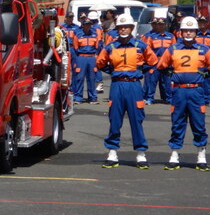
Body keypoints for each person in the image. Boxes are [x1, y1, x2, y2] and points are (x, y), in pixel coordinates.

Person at [96, 14, 157, 169]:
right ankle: (112, 152)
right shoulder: (110, 46)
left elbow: (153, 61)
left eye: (126, 27)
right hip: (117, 86)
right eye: (120, 27)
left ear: (131, 28)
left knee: (137, 119)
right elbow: (101, 63)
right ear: (117, 29)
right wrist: (114, 71)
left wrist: (139, 71)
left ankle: (141, 154)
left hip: (134, 86)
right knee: (115, 118)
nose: (123, 29)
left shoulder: (140, 45)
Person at [156, 17, 210, 171]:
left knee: (198, 123)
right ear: (180, 32)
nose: (188, 33)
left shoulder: (204, 49)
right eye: (185, 30)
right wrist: (171, 73)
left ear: (195, 32)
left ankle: (201, 156)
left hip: (196, 90)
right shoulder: (173, 49)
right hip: (179, 91)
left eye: (191, 30)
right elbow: (161, 66)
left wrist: (204, 75)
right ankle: (174, 154)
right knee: (177, 122)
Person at [141, 16, 175, 105]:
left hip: (167, 62)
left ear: (166, 25)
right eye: (159, 24)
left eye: (162, 24)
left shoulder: (170, 36)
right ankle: (150, 98)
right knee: (152, 81)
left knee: (167, 81)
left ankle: (169, 98)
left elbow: (174, 49)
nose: (160, 26)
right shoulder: (152, 36)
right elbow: (148, 50)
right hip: (155, 61)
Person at [71, 13, 102, 104]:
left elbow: (98, 47)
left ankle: (92, 98)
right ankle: (78, 97)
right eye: (86, 25)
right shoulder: (78, 34)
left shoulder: (94, 34)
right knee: (79, 78)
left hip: (92, 58)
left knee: (92, 78)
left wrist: (96, 57)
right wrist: (77, 60)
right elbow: (75, 48)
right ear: (83, 25)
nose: (88, 26)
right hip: (81, 57)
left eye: (89, 25)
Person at [195, 15, 210, 105]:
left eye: (204, 22)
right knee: (198, 81)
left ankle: (207, 99)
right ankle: (199, 99)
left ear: (207, 23)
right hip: (197, 61)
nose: (202, 24)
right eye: (200, 22)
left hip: (208, 61)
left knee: (207, 82)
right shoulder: (195, 35)